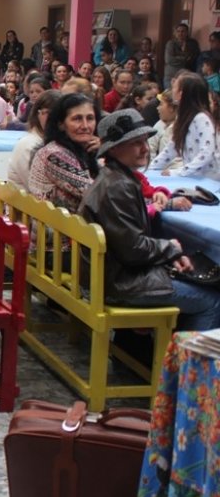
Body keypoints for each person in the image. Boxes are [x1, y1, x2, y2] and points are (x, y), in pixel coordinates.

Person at [79, 108, 220, 331]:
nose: (145, 148)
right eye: (135, 143)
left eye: (145, 140)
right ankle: (183, 364)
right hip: (120, 283)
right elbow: (133, 249)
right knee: (213, 301)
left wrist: (169, 254)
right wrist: (171, 248)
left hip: (110, 276)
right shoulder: (119, 187)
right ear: (114, 149)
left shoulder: (116, 178)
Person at [29, 92, 100, 212]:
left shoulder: (82, 149)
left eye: (90, 118)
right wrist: (109, 151)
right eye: (77, 119)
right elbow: (97, 194)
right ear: (61, 124)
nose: (85, 126)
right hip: (54, 229)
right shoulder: (55, 154)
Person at [149, 72, 220, 179]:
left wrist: (178, 172)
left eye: (174, 87)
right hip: (193, 177)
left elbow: (206, 153)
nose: (171, 89)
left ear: (181, 94)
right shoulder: (183, 118)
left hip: (210, 180)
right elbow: (171, 148)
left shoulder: (202, 118)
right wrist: (150, 168)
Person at [6, 90, 61, 191]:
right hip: (30, 205)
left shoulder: (55, 144)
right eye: (49, 113)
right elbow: (40, 190)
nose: (54, 118)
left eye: (60, 114)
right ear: (37, 114)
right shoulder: (29, 145)